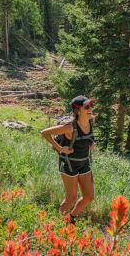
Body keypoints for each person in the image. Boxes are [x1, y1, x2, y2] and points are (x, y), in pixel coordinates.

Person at [41, 95, 95, 223]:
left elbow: (87, 138)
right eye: (87, 106)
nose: (90, 109)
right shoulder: (70, 127)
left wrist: (91, 144)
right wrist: (60, 148)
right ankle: (57, 224)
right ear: (78, 110)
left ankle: (71, 218)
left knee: (88, 197)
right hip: (69, 164)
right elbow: (45, 132)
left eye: (91, 106)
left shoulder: (90, 121)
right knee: (71, 198)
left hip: (84, 163)